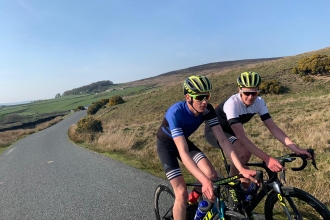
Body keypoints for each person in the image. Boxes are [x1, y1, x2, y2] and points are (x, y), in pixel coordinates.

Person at [156, 75, 258, 220]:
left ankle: (193, 199)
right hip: (166, 145)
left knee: (211, 175)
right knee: (181, 192)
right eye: (200, 97)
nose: (204, 102)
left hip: (183, 141)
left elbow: (223, 140)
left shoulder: (208, 110)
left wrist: (241, 169)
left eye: (207, 96)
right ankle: (185, 201)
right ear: (188, 97)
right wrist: (204, 182)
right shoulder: (176, 113)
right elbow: (183, 153)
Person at [204, 71, 313, 190]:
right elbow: (240, 136)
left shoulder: (259, 102)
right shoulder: (232, 104)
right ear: (239, 90)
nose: (250, 97)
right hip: (215, 131)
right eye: (246, 93)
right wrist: (267, 159)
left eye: (254, 93)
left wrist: (295, 148)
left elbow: (273, 128)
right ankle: (231, 186)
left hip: (232, 132)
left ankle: (243, 196)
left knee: (245, 172)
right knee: (244, 152)